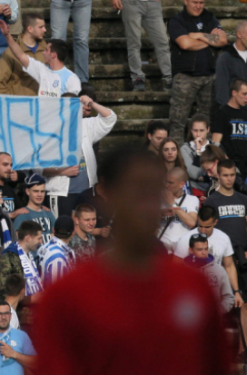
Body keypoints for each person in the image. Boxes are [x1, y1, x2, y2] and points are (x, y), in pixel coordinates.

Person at [33, 148, 231, 375]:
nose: (145, 205)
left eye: (153, 193)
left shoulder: (194, 288)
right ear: (110, 196)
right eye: (135, 193)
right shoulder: (66, 297)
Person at [168, 0, 227, 139]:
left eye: (201, 2)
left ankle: (206, 157)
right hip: (185, 77)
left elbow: (223, 40)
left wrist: (198, 35)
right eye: (195, 2)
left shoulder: (210, 18)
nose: (198, 6)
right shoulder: (176, 21)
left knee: (207, 121)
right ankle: (177, 159)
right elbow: (185, 44)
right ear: (186, 1)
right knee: (178, 121)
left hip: (210, 77)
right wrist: (209, 39)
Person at [0, 20, 81, 98]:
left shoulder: (71, 79)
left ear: (53, 55)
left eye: (47, 50)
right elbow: (21, 55)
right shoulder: (42, 70)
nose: (43, 52)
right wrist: (7, 36)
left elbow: (74, 104)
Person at [0, 14, 47, 96]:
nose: (45, 30)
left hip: (41, 104)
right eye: (41, 27)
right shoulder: (10, 53)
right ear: (30, 29)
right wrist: (9, 102)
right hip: (19, 104)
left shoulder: (47, 51)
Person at [185, 233, 236, 314]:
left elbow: (229, 297)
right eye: (199, 249)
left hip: (213, 321)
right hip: (188, 320)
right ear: (191, 250)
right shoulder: (183, 270)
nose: (204, 252)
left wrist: (216, 312)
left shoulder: (218, 270)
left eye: (206, 249)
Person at [0, 221, 45, 299]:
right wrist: (29, 299)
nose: (41, 241)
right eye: (39, 238)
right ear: (28, 238)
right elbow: (2, 292)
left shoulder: (30, 257)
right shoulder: (7, 259)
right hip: (15, 310)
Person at [204, 159, 247, 252]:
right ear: (218, 176)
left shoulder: (244, 199)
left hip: (243, 252)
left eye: (232, 175)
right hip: (220, 251)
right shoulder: (211, 201)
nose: (229, 179)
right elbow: (205, 229)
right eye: (225, 175)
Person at [159, 167, 199, 251]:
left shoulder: (192, 199)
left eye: (171, 183)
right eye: (166, 182)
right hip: (162, 247)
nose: (167, 185)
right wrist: (161, 214)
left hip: (181, 248)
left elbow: (192, 223)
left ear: (182, 184)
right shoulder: (158, 198)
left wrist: (172, 203)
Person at [212, 79, 247, 175]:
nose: (246, 98)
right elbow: (216, 144)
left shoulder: (245, 112)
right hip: (231, 166)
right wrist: (228, 164)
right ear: (234, 93)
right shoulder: (222, 113)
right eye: (244, 94)